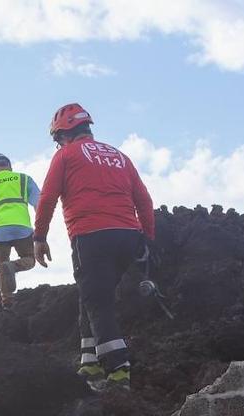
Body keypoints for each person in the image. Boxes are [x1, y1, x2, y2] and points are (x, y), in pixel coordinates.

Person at [33, 103, 156, 389]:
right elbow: (145, 201)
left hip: (92, 236)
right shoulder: (120, 156)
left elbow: (48, 198)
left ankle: (118, 371)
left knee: (98, 303)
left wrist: (39, 237)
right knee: (89, 295)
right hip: (129, 236)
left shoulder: (66, 156)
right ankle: (89, 363)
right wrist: (147, 239)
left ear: (63, 135)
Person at [0, 154, 44, 309]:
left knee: (1, 266)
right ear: (10, 168)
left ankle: (7, 301)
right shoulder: (23, 179)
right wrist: (40, 228)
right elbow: (40, 203)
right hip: (22, 228)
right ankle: (14, 266)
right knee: (29, 259)